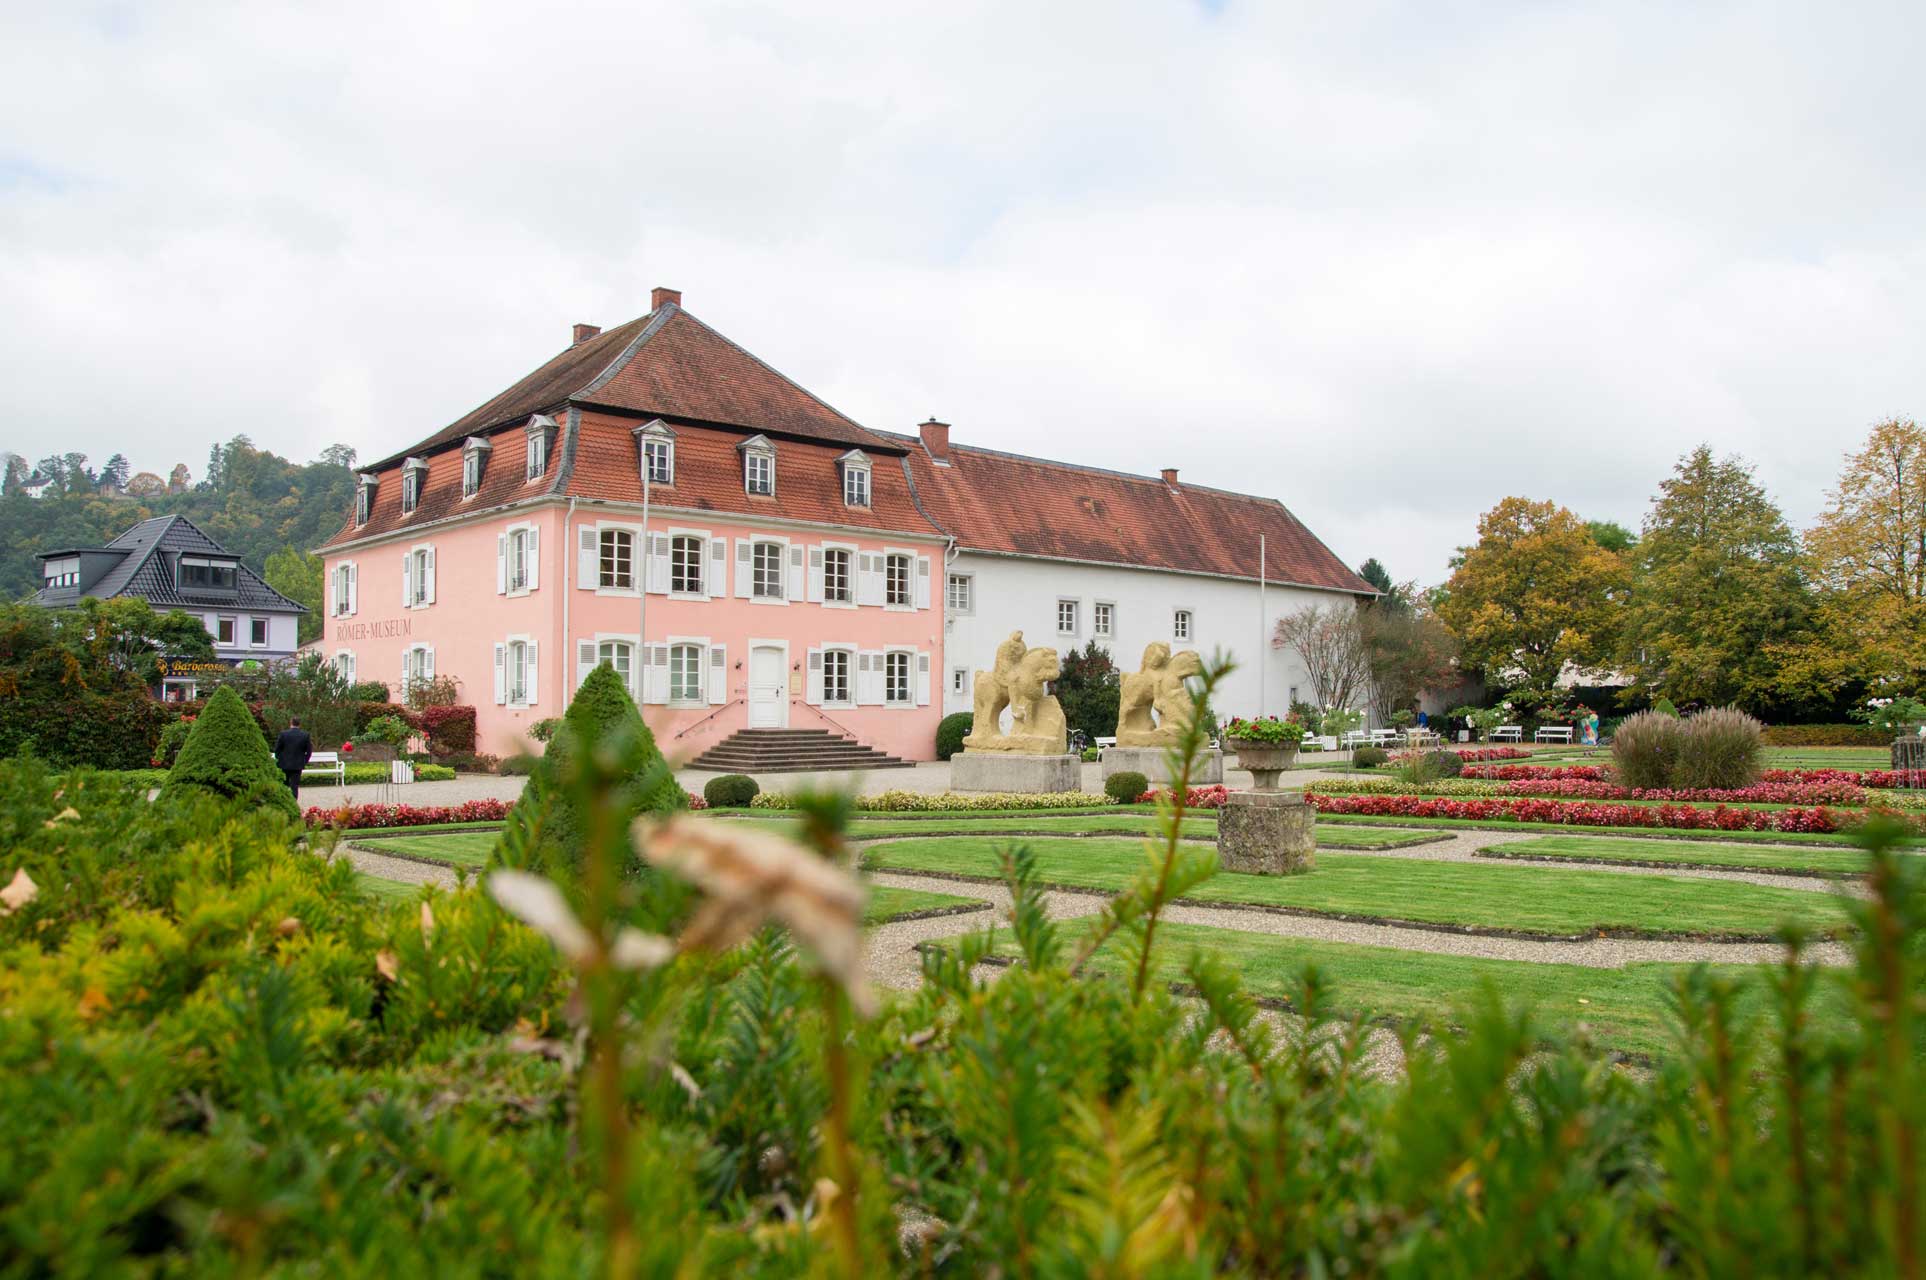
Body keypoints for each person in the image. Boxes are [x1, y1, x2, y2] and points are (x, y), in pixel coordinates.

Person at [274, 716, 314, 798]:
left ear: (290, 723)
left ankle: (284, 801)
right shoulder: (305, 735)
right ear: (299, 724)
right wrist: (304, 761)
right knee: (294, 786)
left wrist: (279, 759)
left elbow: (277, 749)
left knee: (284, 785)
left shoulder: (283, 734)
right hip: (297, 764)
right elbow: (309, 751)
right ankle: (294, 803)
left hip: (284, 764)